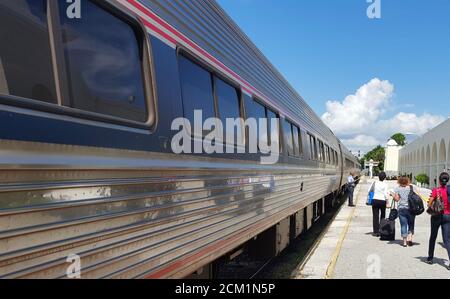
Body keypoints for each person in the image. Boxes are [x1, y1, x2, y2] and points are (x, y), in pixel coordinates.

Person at [426, 172, 449, 265]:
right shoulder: (449, 190)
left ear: (439, 180)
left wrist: (431, 204)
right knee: (447, 240)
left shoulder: (436, 190)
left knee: (433, 237)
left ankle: (430, 258)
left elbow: (429, 203)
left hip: (437, 216)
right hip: (448, 216)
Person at [393, 176, 416, 247]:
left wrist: (393, 195)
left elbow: (396, 199)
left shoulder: (397, 188)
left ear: (399, 181)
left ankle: (405, 242)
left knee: (403, 225)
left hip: (401, 209)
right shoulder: (411, 188)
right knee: (411, 224)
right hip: (411, 209)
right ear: (407, 181)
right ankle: (410, 238)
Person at [371, 172, 390, 237]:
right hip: (382, 201)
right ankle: (382, 230)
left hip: (375, 200)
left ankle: (375, 232)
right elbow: (386, 194)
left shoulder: (374, 183)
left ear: (378, 177)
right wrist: (387, 202)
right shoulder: (385, 185)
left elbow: (370, 190)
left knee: (375, 216)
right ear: (384, 178)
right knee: (382, 216)